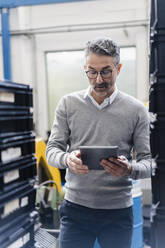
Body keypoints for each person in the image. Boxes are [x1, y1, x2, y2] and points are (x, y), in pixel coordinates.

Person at [46, 37, 151, 248]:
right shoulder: (68, 104)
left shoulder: (136, 110)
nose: (99, 80)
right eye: (92, 72)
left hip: (117, 213)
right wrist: (67, 159)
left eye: (106, 71)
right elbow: (52, 151)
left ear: (118, 68)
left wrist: (129, 169)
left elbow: (149, 163)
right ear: (85, 69)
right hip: (76, 210)